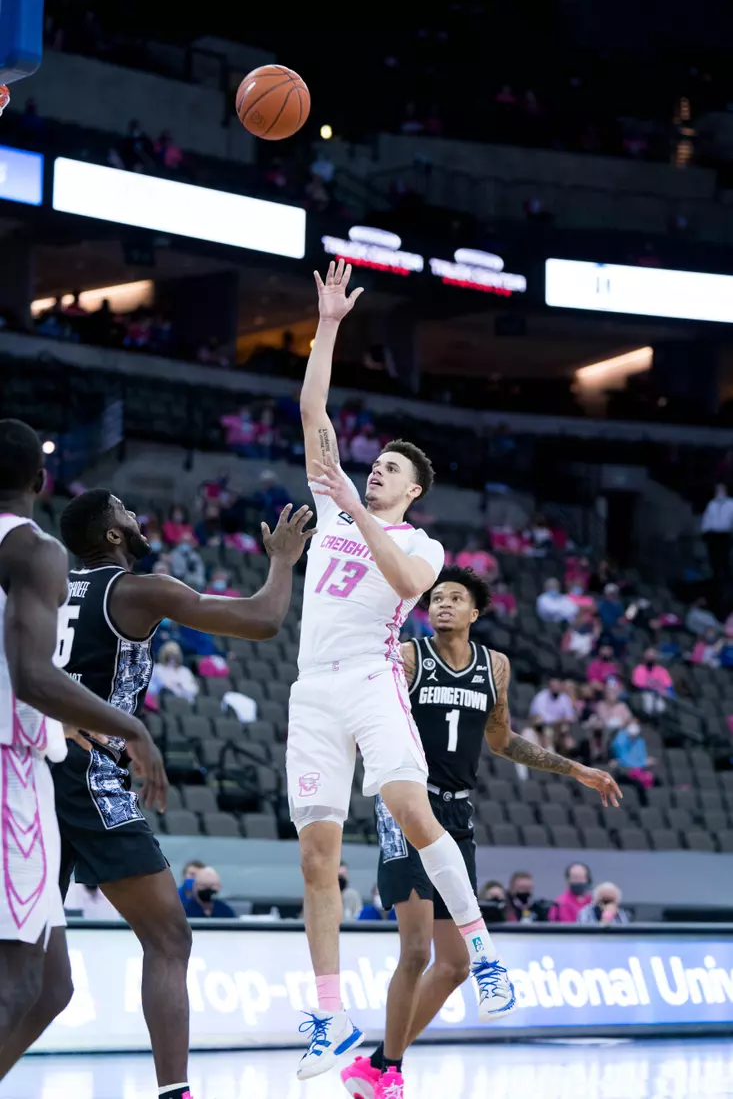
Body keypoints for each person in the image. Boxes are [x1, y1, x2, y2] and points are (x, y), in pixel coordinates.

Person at [3, 488, 314, 1099]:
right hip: (87, 774)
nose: (136, 518)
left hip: (35, 771)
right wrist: (282, 561)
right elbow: (263, 619)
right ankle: (175, 1092)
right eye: (125, 511)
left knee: (45, 984)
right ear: (112, 535)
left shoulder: (46, 587)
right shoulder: (136, 591)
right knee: (169, 936)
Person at [290, 261, 511, 1082]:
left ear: (412, 491)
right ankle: (328, 1017)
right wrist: (328, 326)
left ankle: (482, 952)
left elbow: (406, 584)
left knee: (413, 810)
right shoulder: (333, 498)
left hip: (371, 677)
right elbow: (312, 410)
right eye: (373, 463)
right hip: (312, 688)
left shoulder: (422, 544)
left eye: (390, 469)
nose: (374, 469)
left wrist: (355, 510)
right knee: (316, 855)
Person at [343, 566, 621, 1098]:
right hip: (407, 806)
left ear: (475, 612)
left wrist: (576, 769)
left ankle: (377, 1064)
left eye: (455, 598)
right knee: (417, 951)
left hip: (457, 815)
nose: (443, 604)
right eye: (436, 598)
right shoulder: (408, 657)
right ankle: (390, 1074)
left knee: (455, 964)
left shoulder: (495, 666)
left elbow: (502, 741)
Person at [0, 420, 165, 1087]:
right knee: (21, 977)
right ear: (40, 480)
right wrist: (132, 729)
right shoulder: (33, 549)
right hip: (17, 769)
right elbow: (33, 676)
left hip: (37, 767)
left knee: (50, 986)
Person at [701, 484, 733, 606]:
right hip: (713, 534)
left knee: (725, 558)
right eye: (717, 491)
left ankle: (726, 577)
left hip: (725, 533)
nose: (719, 493)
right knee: (714, 558)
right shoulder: (712, 504)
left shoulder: (730, 504)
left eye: (721, 491)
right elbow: (707, 518)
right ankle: (716, 575)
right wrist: (705, 530)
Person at [631, 648, 674, 715]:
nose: (651, 658)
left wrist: (670, 695)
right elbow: (638, 687)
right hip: (645, 694)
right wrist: (656, 690)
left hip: (662, 695)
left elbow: (669, 686)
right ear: (644, 657)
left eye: (653, 656)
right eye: (649, 656)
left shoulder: (661, 670)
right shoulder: (639, 669)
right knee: (653, 703)